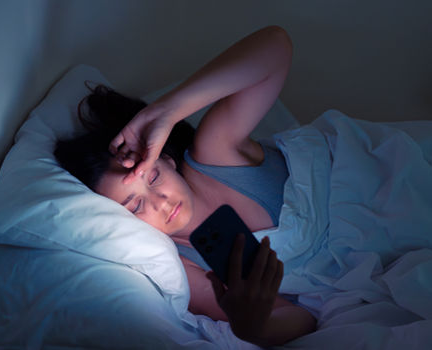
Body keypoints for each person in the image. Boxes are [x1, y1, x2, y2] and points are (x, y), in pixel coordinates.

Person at [55, 25, 317, 347]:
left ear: (165, 158)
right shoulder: (180, 266)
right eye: (135, 206)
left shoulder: (213, 153)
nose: (161, 202)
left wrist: (165, 113)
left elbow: (277, 44)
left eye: (152, 178)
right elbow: (302, 320)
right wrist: (253, 328)